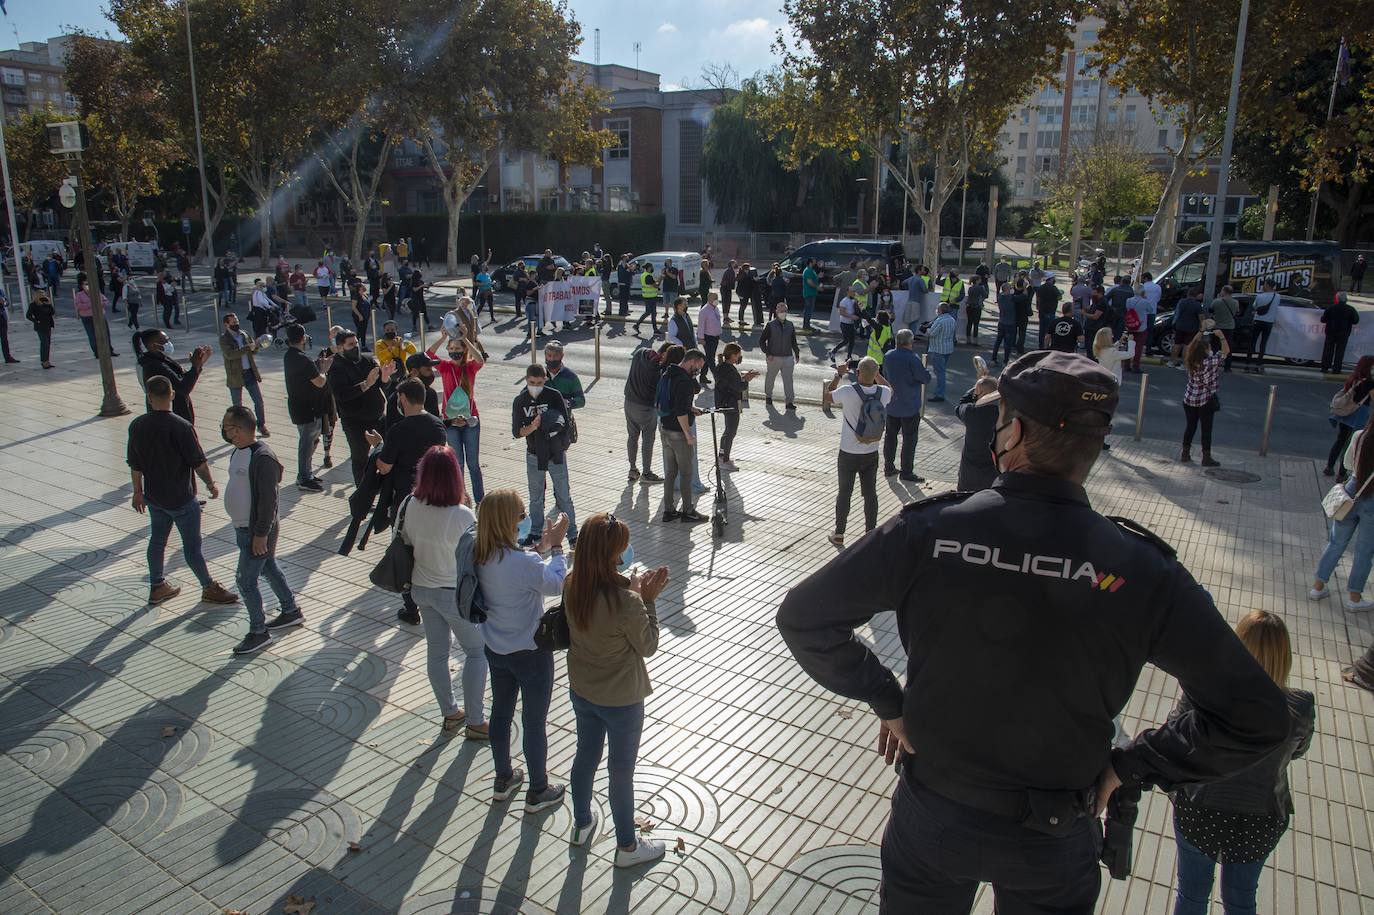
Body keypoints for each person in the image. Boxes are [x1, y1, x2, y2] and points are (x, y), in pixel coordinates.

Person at [777, 349, 1291, 915]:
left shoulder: (929, 532)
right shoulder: (1143, 571)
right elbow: (1258, 715)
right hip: (1055, 836)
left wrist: (886, 698)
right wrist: (1134, 764)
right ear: (1094, 449)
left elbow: (804, 618)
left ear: (1014, 432)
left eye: (998, 423)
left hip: (934, 820)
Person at [1168, 611, 1315, 915]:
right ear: (1284, 656)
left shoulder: (1203, 691)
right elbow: (1298, 751)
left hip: (1200, 809)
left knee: (1192, 894)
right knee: (1241, 899)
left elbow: (1174, 734)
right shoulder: (1300, 706)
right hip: (1261, 818)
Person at [565, 512, 670, 866]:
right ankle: (627, 846)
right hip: (622, 700)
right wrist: (647, 599)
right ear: (612, 553)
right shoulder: (627, 602)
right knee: (621, 771)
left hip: (582, 689)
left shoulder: (571, 583)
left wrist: (632, 588)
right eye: (621, 549)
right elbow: (648, 645)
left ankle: (581, 824)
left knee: (585, 756)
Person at [474, 490, 569, 811]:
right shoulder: (522, 562)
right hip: (531, 652)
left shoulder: (479, 554)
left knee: (500, 713)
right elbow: (555, 584)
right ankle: (538, 789)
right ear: (508, 521)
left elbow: (518, 568)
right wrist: (556, 547)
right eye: (521, 513)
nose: (524, 518)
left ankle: (504, 777)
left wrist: (537, 550)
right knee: (534, 721)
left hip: (495, 648)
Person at [126, 375, 240, 607]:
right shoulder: (181, 426)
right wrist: (211, 484)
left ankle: (157, 585)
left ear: (148, 397)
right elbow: (198, 462)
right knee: (191, 546)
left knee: (157, 540)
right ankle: (208, 587)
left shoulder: (137, 425)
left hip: (154, 496)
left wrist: (138, 492)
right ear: (172, 395)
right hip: (181, 498)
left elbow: (134, 463)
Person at [406, 445, 487, 737]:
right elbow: (480, 556)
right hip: (453, 595)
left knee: (437, 653)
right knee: (477, 653)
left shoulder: (409, 504)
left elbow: (403, 541)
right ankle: (476, 722)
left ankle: (450, 713)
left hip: (421, 590)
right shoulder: (462, 515)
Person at [220, 406, 301, 655]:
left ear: (240, 429)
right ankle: (290, 610)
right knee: (267, 567)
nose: (224, 431)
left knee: (245, 581)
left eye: (227, 427)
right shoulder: (238, 452)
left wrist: (260, 534)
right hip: (244, 527)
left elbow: (269, 501)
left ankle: (258, 631)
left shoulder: (263, 457)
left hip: (255, 530)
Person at [823, 356, 891, 546]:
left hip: (848, 452)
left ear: (857, 373)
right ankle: (870, 533)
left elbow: (828, 396)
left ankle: (839, 534)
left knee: (845, 492)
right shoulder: (883, 393)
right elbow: (891, 389)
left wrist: (839, 374)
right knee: (870, 493)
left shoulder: (847, 391)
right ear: (876, 374)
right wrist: (877, 375)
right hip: (871, 451)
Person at [1313, 410, 1374, 610]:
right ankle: (1354, 598)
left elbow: (1347, 464)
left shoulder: (1359, 436)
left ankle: (1318, 587)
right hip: (1372, 501)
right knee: (1364, 551)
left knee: (1336, 542)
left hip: (1351, 492)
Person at [513, 363, 579, 548]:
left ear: (545, 380)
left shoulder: (553, 395)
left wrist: (550, 423)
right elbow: (518, 432)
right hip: (534, 453)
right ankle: (535, 532)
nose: (535, 386)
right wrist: (533, 426)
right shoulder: (520, 401)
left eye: (540, 382)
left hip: (555, 453)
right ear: (526, 380)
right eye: (532, 382)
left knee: (564, 496)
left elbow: (565, 423)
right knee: (536, 497)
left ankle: (572, 534)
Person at [428, 327, 486, 503]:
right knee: (457, 464)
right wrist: (443, 337)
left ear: (463, 350)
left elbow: (480, 359)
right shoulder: (445, 367)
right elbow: (428, 355)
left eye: (457, 349)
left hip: (470, 420)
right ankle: (461, 500)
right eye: (451, 349)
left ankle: (480, 501)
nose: (454, 352)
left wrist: (465, 338)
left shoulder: (470, 368)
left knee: (473, 465)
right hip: (450, 421)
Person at [328, 329, 391, 486]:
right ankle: (362, 495)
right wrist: (365, 384)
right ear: (341, 348)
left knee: (389, 451)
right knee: (360, 459)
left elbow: (381, 385)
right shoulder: (336, 368)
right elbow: (341, 395)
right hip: (355, 422)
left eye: (356, 343)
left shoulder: (367, 360)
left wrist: (385, 378)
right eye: (351, 345)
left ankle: (385, 487)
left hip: (377, 416)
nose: (356, 347)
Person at [657, 346, 708, 523]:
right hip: (678, 433)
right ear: (692, 361)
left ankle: (668, 510)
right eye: (698, 367)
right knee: (686, 473)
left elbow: (671, 401)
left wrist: (690, 408)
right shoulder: (685, 381)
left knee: (670, 472)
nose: (698, 371)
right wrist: (688, 434)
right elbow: (680, 413)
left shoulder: (668, 372)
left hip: (664, 429)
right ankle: (688, 511)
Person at [282, 323, 331, 492]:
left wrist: (316, 366)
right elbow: (320, 382)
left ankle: (306, 473)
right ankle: (304, 477)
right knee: (307, 443)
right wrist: (323, 369)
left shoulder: (289, 356)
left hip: (297, 406)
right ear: (302, 338)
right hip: (308, 409)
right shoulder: (303, 359)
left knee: (309, 441)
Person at [882, 329, 931, 483]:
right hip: (909, 405)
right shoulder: (912, 359)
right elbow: (924, 378)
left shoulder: (888, 356)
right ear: (910, 342)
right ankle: (907, 471)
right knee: (909, 440)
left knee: (890, 437)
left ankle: (889, 467)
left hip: (892, 404)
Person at [135, 329, 211, 424]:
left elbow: (182, 378)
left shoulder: (160, 358)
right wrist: (195, 366)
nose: (168, 344)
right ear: (153, 346)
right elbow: (183, 388)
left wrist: (198, 366)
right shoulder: (155, 365)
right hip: (170, 416)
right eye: (165, 341)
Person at [1181, 327, 1229, 466]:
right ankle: (1206, 457)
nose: (1210, 349)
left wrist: (1200, 331)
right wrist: (1221, 337)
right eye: (1209, 348)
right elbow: (1226, 352)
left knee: (1190, 427)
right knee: (1206, 430)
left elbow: (1191, 345)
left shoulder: (1190, 360)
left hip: (1189, 398)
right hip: (1205, 400)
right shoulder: (1210, 362)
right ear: (1206, 350)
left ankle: (1185, 453)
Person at [1324, 357, 1374, 479]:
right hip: (1358, 415)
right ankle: (1341, 474)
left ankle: (1329, 467)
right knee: (1349, 445)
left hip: (1346, 413)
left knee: (1340, 440)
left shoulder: (1354, 377)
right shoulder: (1370, 383)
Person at [220, 313, 269, 436]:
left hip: (249, 373)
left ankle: (261, 425)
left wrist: (256, 345)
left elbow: (253, 351)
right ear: (226, 324)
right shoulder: (224, 338)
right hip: (235, 375)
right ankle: (239, 428)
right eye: (233, 322)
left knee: (258, 401)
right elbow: (230, 355)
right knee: (237, 406)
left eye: (236, 320)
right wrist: (248, 347)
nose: (236, 323)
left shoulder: (244, 334)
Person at [711, 342, 757, 471]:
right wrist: (746, 379)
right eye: (738, 355)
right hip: (730, 403)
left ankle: (722, 456)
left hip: (725, 402)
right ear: (732, 355)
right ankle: (724, 460)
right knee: (731, 431)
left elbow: (731, 384)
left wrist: (743, 379)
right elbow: (738, 386)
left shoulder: (722, 367)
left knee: (727, 431)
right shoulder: (728, 369)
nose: (739, 358)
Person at [624, 344, 665, 484]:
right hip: (646, 407)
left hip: (629, 402)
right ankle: (646, 472)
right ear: (663, 354)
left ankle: (632, 469)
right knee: (648, 439)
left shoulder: (639, 353)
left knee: (632, 436)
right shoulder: (657, 371)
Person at [955, 374, 1000, 491]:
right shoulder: (1003, 415)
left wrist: (973, 389)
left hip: (968, 476)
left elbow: (961, 404)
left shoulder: (971, 412)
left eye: (976, 393)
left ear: (983, 395)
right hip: (993, 478)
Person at [760, 301, 800, 410]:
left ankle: (789, 402)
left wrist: (796, 353)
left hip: (787, 357)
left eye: (785, 311)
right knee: (770, 378)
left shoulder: (790, 325)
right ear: (776, 311)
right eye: (781, 311)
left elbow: (793, 340)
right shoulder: (770, 325)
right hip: (774, 357)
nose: (783, 313)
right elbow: (762, 341)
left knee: (788, 380)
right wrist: (768, 353)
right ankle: (768, 396)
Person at [74, 273, 116, 358]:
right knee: (92, 334)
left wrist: (100, 304)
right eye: (85, 284)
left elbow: (105, 301)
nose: (87, 286)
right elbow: (78, 306)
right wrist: (91, 304)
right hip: (87, 317)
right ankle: (97, 352)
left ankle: (109, 350)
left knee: (106, 333)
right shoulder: (79, 295)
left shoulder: (96, 292)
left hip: (100, 315)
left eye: (89, 283)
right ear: (81, 285)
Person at [1320, 291, 1360, 375]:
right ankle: (1336, 369)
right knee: (1340, 352)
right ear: (1346, 299)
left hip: (1331, 332)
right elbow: (1356, 321)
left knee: (1328, 350)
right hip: (1344, 333)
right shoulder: (1350, 309)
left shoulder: (1331, 308)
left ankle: (1325, 367)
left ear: (1337, 299)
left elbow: (1323, 319)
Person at [1246, 279, 1280, 373]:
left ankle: (1248, 364)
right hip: (1269, 322)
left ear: (1267, 285)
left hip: (1258, 321)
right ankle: (1258, 364)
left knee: (1252, 342)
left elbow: (1254, 306)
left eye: (1264, 284)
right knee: (1263, 343)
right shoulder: (1277, 296)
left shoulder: (1260, 296)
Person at [925, 303, 957, 402]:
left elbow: (931, 333)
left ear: (940, 310)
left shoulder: (939, 321)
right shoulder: (952, 320)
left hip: (938, 349)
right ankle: (940, 392)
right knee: (942, 370)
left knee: (940, 372)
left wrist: (926, 329)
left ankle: (940, 394)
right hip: (948, 348)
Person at [1171, 287, 1205, 368]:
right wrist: (1202, 329)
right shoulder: (1197, 305)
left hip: (1180, 326)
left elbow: (1177, 313)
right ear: (1196, 295)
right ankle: (1185, 364)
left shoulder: (1181, 302)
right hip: (1191, 327)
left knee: (1177, 344)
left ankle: (1173, 361)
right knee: (1187, 346)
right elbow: (1201, 318)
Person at [1209, 286, 1240, 372]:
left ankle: (1213, 365)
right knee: (1228, 346)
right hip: (1229, 327)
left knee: (1215, 346)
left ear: (1224, 291)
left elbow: (1211, 311)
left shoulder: (1216, 301)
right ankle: (1227, 367)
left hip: (1217, 326)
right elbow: (1237, 312)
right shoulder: (1235, 302)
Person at [697, 291, 722, 383]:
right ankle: (718, 378)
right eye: (714, 298)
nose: (716, 300)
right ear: (709, 299)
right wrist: (701, 338)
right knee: (711, 359)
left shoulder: (716, 308)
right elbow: (701, 326)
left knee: (708, 358)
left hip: (715, 337)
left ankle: (702, 377)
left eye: (717, 298)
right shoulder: (704, 311)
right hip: (708, 338)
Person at [990, 283, 1018, 366]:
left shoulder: (1000, 296)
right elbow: (1023, 296)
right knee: (1007, 344)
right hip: (1010, 323)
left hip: (1001, 322)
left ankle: (993, 358)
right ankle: (1005, 361)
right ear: (1007, 289)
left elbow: (1004, 291)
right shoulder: (1011, 298)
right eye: (1010, 288)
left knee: (998, 341)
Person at [26, 290, 55, 369]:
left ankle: (47, 361)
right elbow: (28, 315)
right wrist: (36, 321)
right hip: (40, 326)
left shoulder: (46, 303)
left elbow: (52, 313)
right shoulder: (33, 304)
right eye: (41, 295)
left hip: (48, 325)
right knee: (44, 343)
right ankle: (44, 361)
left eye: (44, 295)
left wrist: (49, 304)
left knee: (48, 343)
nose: (43, 296)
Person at [831, 286, 860, 362]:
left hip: (851, 323)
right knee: (845, 340)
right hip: (844, 323)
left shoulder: (854, 300)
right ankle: (833, 351)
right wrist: (851, 316)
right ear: (848, 292)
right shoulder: (844, 301)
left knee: (852, 341)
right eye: (852, 291)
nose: (854, 292)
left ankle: (849, 356)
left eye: (854, 291)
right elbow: (841, 312)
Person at [1034, 274, 1062, 348]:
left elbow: (1038, 298)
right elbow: (1059, 297)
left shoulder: (1040, 288)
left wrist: (1038, 307)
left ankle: (1041, 346)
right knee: (1049, 331)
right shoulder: (1053, 288)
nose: (1054, 280)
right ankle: (1047, 346)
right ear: (1050, 279)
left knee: (1041, 330)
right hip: (1050, 311)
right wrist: (1060, 293)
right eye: (1053, 278)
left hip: (1042, 311)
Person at [633, 263, 660, 335]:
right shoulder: (648, 276)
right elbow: (656, 286)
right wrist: (661, 278)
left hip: (646, 296)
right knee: (652, 313)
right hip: (651, 297)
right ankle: (655, 330)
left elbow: (650, 284)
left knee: (650, 312)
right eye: (651, 267)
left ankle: (637, 325)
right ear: (649, 268)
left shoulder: (643, 275)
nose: (652, 268)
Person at [964, 275, 988, 345]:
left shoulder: (970, 288)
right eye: (979, 279)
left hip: (969, 306)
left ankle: (968, 339)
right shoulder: (980, 288)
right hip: (977, 307)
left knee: (969, 323)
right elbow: (986, 295)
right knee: (976, 324)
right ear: (977, 280)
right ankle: (975, 340)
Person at [801, 258, 821, 330]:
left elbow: (813, 279)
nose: (815, 262)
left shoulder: (811, 270)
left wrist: (818, 276)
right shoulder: (808, 271)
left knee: (809, 309)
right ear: (810, 262)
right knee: (808, 309)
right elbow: (809, 282)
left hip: (812, 293)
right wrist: (817, 287)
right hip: (809, 293)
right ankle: (806, 326)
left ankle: (807, 325)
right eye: (814, 261)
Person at [719, 260, 736, 325]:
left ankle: (726, 317)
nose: (735, 264)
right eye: (734, 263)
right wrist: (737, 277)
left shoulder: (730, 270)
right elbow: (731, 280)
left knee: (727, 303)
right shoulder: (730, 271)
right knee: (726, 303)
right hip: (725, 288)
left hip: (726, 288)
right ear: (731, 264)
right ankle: (725, 318)